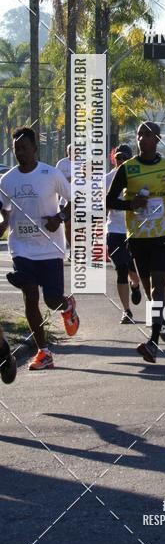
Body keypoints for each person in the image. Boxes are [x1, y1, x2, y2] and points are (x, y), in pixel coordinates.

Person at [0, 127, 80, 371]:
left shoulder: (51, 174)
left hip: (50, 247)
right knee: (30, 296)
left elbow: (75, 200)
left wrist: (61, 216)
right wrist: (3, 223)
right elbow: (5, 211)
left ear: (35, 148)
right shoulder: (7, 180)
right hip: (21, 247)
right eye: (16, 149)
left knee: (52, 299)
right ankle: (43, 352)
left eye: (24, 148)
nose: (20, 153)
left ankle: (66, 306)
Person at [106, 122, 165, 364]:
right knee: (151, 292)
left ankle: (152, 344)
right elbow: (109, 201)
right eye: (140, 134)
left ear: (157, 139)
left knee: (158, 287)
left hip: (161, 235)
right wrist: (131, 205)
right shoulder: (127, 169)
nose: (142, 138)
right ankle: (163, 322)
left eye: (147, 135)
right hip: (138, 237)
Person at [105, 144, 142, 323]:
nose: (121, 161)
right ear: (114, 159)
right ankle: (126, 311)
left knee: (133, 271)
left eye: (125, 158)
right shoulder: (107, 179)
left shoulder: (138, 178)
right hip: (114, 230)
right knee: (120, 268)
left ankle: (135, 285)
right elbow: (104, 205)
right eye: (118, 158)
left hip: (133, 230)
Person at [56, 144, 73, 254]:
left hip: (81, 201)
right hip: (64, 201)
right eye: (70, 150)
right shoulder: (61, 164)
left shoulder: (85, 163)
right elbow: (56, 181)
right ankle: (72, 248)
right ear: (67, 151)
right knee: (68, 225)